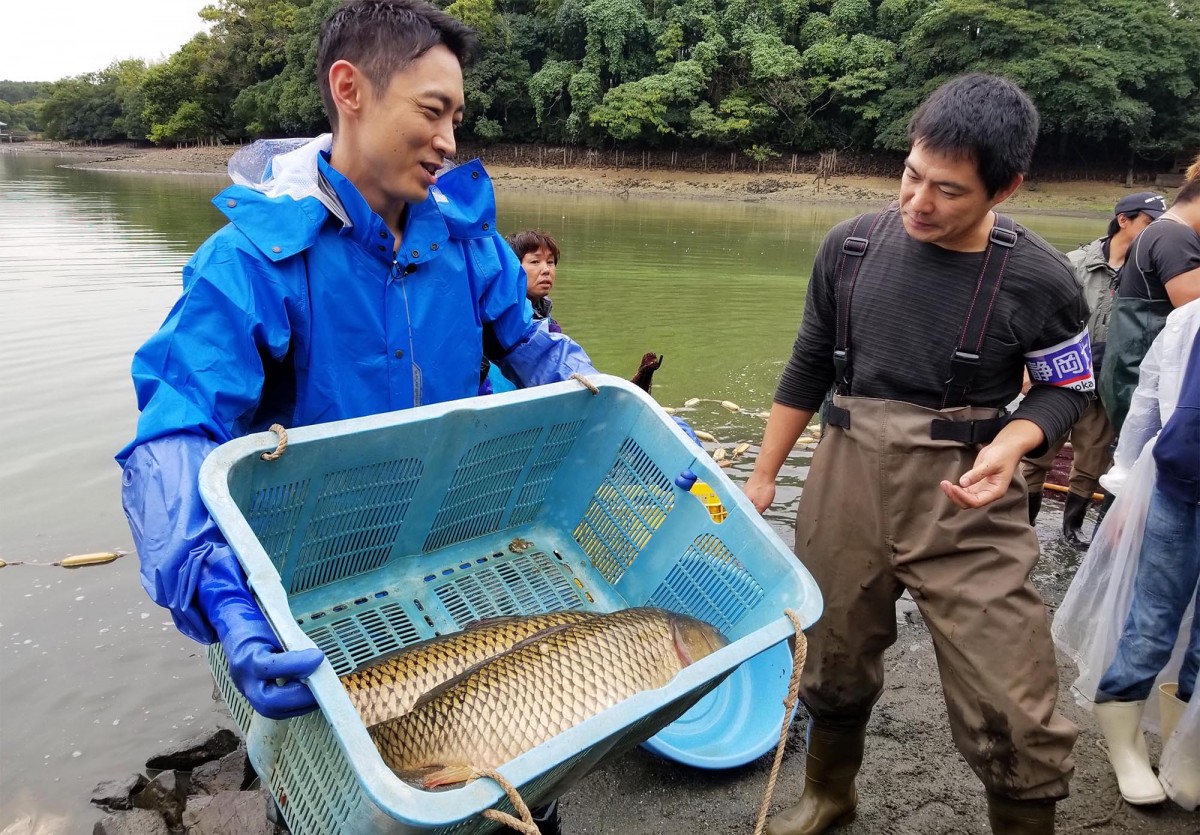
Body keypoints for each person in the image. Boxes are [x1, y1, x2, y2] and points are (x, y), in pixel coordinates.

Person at [117, 0, 604, 729]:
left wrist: (627, 405)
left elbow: (537, 352)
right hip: (306, 572)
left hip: (453, 547)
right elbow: (174, 429)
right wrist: (220, 593)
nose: (447, 142)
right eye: (432, 111)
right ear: (350, 90)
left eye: (456, 120)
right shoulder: (254, 260)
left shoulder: (469, 243)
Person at [744, 74, 1090, 835]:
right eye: (911, 175)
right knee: (830, 650)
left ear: (1007, 188)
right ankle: (830, 793)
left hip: (968, 488)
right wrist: (765, 477)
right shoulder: (851, 247)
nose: (919, 203)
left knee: (1012, 690)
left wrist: (1014, 440)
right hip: (847, 473)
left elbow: (1069, 389)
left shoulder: (1042, 279)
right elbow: (806, 366)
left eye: (949, 191)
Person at [1090, 298, 1200, 807]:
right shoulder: (1187, 319)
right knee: (1153, 618)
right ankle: (1127, 749)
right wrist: (1123, 488)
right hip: (1177, 490)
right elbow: (1147, 402)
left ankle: (1189, 751)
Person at [1022, 193, 1164, 546]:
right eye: (1149, 222)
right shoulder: (1073, 263)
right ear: (1124, 220)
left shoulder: (1149, 274)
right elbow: (1038, 317)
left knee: (1092, 458)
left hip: (1105, 383)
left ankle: (1072, 528)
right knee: (1038, 451)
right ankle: (1024, 522)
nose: (1156, 232)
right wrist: (1025, 368)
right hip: (1058, 377)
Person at [1099, 154, 1200, 436]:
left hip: (1134, 383)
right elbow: (1195, 311)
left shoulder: (1158, 232)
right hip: (1147, 391)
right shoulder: (1173, 236)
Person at [509, 229, 563, 333]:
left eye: (550, 262)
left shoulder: (542, 309)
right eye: (535, 261)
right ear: (514, 268)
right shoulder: (508, 317)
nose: (546, 270)